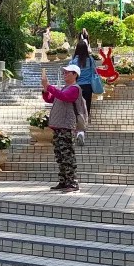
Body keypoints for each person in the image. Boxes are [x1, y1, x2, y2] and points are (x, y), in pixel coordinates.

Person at [41, 64, 88, 193]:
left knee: (67, 155)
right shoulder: (65, 88)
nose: (64, 74)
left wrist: (49, 86)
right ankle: (63, 181)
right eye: (64, 72)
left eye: (67, 72)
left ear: (75, 75)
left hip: (66, 126)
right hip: (58, 126)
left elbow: (64, 97)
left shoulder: (75, 88)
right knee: (60, 155)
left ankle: (72, 183)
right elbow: (50, 99)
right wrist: (45, 90)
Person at [70, 41, 95, 116]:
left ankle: (77, 121)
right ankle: (86, 120)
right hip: (88, 86)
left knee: (76, 107)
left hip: (76, 86)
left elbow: (69, 72)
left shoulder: (73, 61)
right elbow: (94, 71)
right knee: (87, 106)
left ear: (77, 49)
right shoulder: (90, 60)